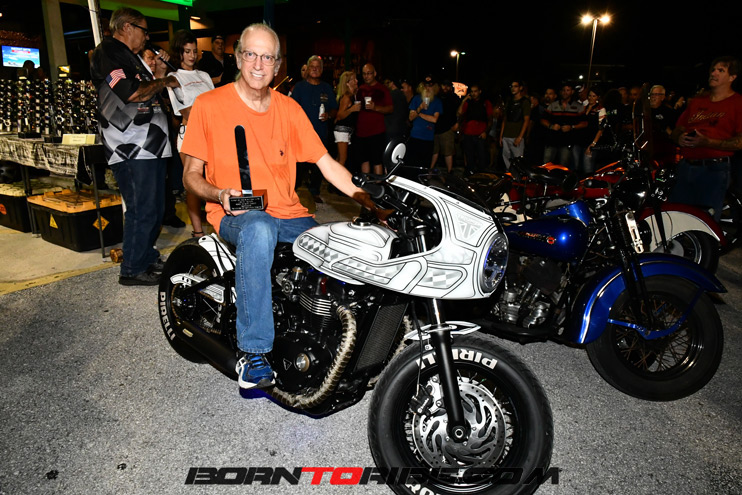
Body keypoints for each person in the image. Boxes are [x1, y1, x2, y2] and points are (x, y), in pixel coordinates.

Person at [180, 23, 377, 390]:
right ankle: (253, 352)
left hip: (289, 213)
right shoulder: (209, 105)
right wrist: (219, 194)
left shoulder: (289, 109)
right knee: (260, 228)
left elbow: (326, 163)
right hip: (235, 214)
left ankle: (339, 338)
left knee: (343, 243)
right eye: (251, 54)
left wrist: (369, 200)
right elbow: (190, 175)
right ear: (238, 57)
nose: (258, 64)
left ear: (278, 65)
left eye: (267, 57)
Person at [90, 7, 179, 286]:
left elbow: (147, 90)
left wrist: (159, 73)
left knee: (154, 206)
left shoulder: (132, 57)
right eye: (144, 30)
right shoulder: (108, 51)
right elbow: (130, 93)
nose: (147, 36)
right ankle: (132, 268)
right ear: (126, 27)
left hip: (151, 145)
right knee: (142, 207)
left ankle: (146, 256)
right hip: (130, 145)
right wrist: (165, 81)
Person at [670, 56, 742, 221]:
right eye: (713, 69)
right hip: (686, 167)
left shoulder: (737, 103)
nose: (713, 73)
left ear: (732, 77)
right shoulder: (697, 101)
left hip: (714, 170)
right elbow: (677, 129)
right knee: (677, 217)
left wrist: (708, 142)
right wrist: (679, 137)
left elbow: (739, 142)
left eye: (721, 70)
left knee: (704, 221)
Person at [166, 29, 215, 237]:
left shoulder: (204, 75)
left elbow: (217, 103)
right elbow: (185, 112)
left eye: (195, 51)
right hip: (189, 134)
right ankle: (197, 232)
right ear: (179, 52)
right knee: (193, 184)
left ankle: (217, 226)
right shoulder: (173, 77)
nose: (192, 55)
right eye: (187, 51)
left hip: (212, 134)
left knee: (215, 181)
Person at [291, 55, 338, 204]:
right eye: (312, 66)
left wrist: (328, 115)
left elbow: (334, 109)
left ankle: (314, 191)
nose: (315, 69)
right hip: (300, 134)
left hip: (320, 133)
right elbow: (291, 108)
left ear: (322, 70)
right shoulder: (299, 87)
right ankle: (293, 191)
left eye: (318, 67)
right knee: (298, 165)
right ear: (308, 69)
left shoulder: (326, 88)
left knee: (318, 164)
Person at [356, 63, 393, 175]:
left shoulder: (383, 89)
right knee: (364, 160)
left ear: (375, 73)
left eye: (369, 73)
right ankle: (366, 184)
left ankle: (378, 185)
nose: (366, 76)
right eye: (364, 74)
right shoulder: (360, 89)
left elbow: (390, 109)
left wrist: (375, 107)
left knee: (377, 161)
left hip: (376, 132)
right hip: (361, 132)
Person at [540, 83, 586, 168]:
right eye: (563, 90)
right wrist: (551, 126)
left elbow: (584, 123)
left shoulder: (578, 106)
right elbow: (543, 120)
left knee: (563, 166)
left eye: (568, 90)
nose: (565, 92)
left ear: (572, 92)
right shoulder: (553, 105)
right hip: (551, 141)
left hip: (567, 142)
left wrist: (571, 127)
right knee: (546, 165)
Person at [407, 77, 442, 168]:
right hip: (415, 137)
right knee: (413, 165)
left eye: (430, 86)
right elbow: (410, 118)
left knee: (425, 166)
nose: (427, 88)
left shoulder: (437, 101)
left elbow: (434, 119)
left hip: (428, 138)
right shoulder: (416, 99)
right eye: (425, 86)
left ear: (434, 87)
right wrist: (420, 108)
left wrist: (419, 114)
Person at [457, 84, 492, 173]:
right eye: (472, 92)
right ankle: (470, 174)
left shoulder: (486, 103)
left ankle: (481, 174)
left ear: (480, 92)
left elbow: (490, 119)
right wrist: (464, 100)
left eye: (475, 91)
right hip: (468, 133)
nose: (473, 93)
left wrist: (485, 132)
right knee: (469, 156)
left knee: (481, 156)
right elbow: (459, 113)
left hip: (480, 134)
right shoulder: (468, 103)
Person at [499, 80, 531, 170]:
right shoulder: (509, 101)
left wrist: (520, 137)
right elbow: (504, 120)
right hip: (506, 135)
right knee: (506, 159)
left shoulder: (525, 102)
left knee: (518, 161)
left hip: (516, 135)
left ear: (520, 88)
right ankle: (509, 175)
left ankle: (517, 177)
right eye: (512, 86)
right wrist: (501, 135)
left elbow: (526, 120)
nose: (513, 88)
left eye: (515, 86)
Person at [334, 70, 361, 171]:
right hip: (342, 130)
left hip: (347, 131)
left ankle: (332, 178)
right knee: (342, 159)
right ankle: (336, 179)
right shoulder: (346, 97)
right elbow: (339, 116)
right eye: (353, 79)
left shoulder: (352, 95)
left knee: (340, 158)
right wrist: (352, 109)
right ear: (347, 83)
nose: (356, 81)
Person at [431, 79, 460, 171]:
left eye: (448, 86)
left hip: (448, 129)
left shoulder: (454, 98)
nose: (445, 87)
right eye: (444, 85)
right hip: (435, 128)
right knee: (434, 152)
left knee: (448, 152)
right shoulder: (436, 97)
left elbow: (460, 112)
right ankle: (430, 172)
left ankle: (449, 172)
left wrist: (457, 123)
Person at [581, 87, 607, 175]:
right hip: (580, 141)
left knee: (588, 168)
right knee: (577, 167)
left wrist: (593, 143)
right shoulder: (583, 107)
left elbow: (601, 128)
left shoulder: (601, 109)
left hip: (591, 142)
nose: (591, 98)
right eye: (589, 95)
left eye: (593, 96)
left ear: (598, 97)